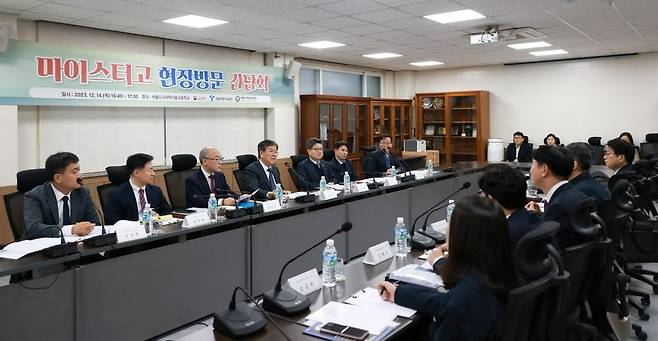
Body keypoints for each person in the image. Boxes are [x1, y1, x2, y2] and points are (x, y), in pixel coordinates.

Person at [377, 196, 520, 341]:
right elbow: (444, 302)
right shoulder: (500, 273)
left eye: (450, 224)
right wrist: (399, 293)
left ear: (461, 238)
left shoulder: (464, 300)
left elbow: (455, 305)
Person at [23, 152, 99, 239]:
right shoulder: (35, 196)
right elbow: (33, 228)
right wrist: (71, 229)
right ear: (58, 178)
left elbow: (95, 223)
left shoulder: (82, 193)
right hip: (45, 247)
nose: (79, 176)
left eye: (79, 170)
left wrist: (88, 227)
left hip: (76, 245)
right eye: (74, 172)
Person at [526, 146, 589, 250]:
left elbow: (544, 246)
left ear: (544, 170)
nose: (530, 170)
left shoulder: (559, 207)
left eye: (533, 164)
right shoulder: (572, 193)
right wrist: (540, 215)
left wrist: (532, 220)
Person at [105, 153, 172, 225]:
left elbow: (167, 212)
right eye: (150, 170)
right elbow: (113, 222)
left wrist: (158, 218)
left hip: (156, 231)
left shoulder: (155, 190)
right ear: (136, 173)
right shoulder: (116, 195)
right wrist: (140, 223)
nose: (153, 173)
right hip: (132, 233)